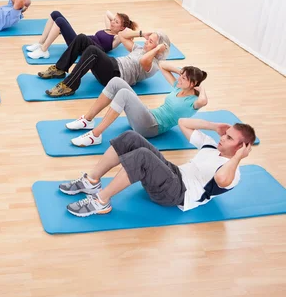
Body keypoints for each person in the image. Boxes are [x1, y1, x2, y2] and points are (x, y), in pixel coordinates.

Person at [58, 118, 256, 217]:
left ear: (241, 147)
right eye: (225, 134)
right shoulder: (212, 145)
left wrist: (237, 157)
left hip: (177, 193)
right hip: (173, 173)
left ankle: (101, 201)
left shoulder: (233, 172)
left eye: (229, 138)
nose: (222, 138)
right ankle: (91, 181)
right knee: (131, 137)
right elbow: (183, 123)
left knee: (142, 156)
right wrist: (214, 126)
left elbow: (221, 180)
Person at [67, 65, 208, 146]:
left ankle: (95, 135)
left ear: (193, 84)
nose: (179, 79)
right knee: (116, 81)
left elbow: (204, 101)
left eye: (184, 78)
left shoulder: (193, 102)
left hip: (151, 127)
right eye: (181, 76)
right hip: (146, 116)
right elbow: (163, 65)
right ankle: (87, 120)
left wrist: (201, 88)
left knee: (124, 94)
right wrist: (183, 72)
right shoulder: (179, 87)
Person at [39, 29, 171, 98]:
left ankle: (69, 86)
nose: (147, 41)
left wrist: (158, 49)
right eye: (148, 39)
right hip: (112, 65)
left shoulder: (153, 64)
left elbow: (143, 61)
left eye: (151, 41)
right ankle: (59, 69)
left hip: (115, 75)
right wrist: (142, 33)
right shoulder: (140, 49)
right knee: (82, 38)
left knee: (92, 51)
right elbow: (121, 35)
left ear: (158, 48)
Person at [25, 10, 137, 59]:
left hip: (80, 47)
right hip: (79, 39)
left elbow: (128, 33)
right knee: (55, 14)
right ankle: (40, 44)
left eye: (116, 22)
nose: (112, 22)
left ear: (123, 28)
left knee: (59, 21)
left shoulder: (117, 38)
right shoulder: (109, 28)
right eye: (113, 20)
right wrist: (117, 22)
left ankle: (44, 51)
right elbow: (107, 12)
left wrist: (121, 28)